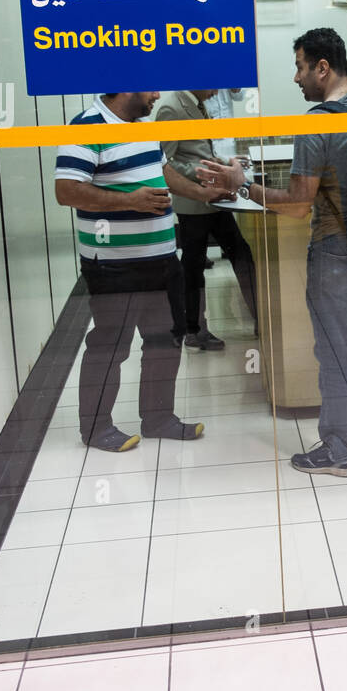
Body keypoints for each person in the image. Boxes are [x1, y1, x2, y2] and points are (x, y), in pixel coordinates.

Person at [197, 28, 347, 477]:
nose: (296, 77)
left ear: (323, 68)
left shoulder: (315, 123)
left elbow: (298, 205)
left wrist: (241, 185)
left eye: (300, 67)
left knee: (336, 349)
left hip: (337, 250)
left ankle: (342, 451)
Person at [54, 91, 219, 452]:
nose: (157, 95)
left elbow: (164, 173)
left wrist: (204, 194)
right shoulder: (86, 128)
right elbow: (66, 191)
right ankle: (96, 428)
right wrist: (130, 201)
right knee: (111, 345)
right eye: (150, 88)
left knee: (165, 339)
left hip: (160, 258)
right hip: (113, 264)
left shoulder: (142, 128)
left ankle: (159, 419)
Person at [155, 89, 260, 350]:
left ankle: (261, 316)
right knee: (193, 266)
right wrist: (204, 173)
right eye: (213, 82)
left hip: (213, 201)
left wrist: (224, 163)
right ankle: (192, 330)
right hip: (193, 203)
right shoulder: (171, 109)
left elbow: (199, 150)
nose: (217, 90)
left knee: (241, 254)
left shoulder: (198, 104)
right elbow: (164, 162)